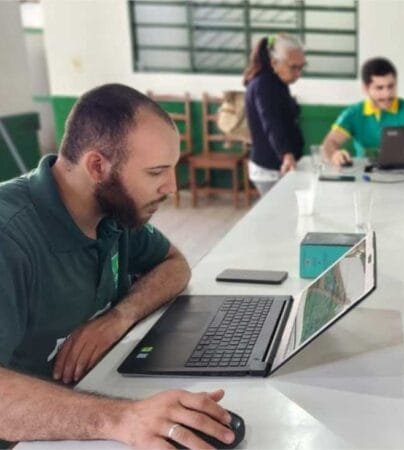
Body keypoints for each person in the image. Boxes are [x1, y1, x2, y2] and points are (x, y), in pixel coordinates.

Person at [0, 84, 235, 449]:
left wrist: (119, 317)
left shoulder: (113, 211)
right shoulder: (10, 236)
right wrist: (123, 418)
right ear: (97, 166)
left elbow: (174, 265)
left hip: (85, 403)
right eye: (156, 172)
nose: (172, 187)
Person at [321, 57, 404, 167]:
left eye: (391, 86)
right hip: (365, 172)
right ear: (365, 88)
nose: (387, 94)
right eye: (379, 88)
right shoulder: (352, 114)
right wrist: (334, 154)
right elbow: (330, 142)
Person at [243, 33, 306, 194]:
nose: (298, 73)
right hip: (271, 168)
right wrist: (286, 154)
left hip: (279, 165)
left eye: (301, 67)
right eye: (293, 67)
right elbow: (271, 122)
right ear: (274, 62)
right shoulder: (264, 85)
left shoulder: (277, 82)